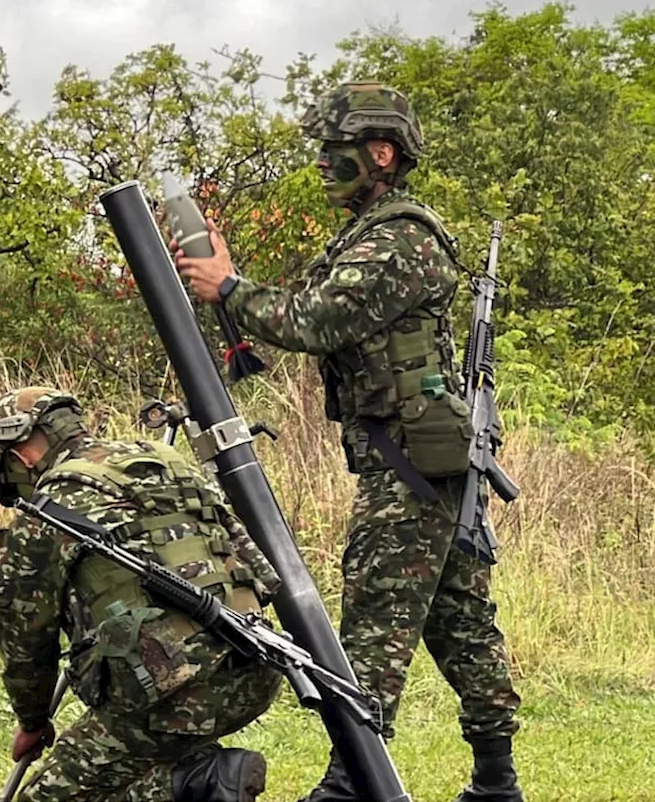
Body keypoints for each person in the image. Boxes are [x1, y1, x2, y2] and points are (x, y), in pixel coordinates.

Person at [172, 81, 524, 802]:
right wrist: (230, 279)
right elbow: (308, 304)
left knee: (373, 620)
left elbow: (313, 320)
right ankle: (497, 782)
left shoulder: (402, 238)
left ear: (382, 152)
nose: (325, 165)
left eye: (336, 151)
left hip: (411, 466)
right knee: (459, 621)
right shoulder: (370, 232)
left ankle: (348, 784)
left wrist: (230, 287)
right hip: (420, 457)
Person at [0, 385, 284, 802]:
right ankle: (195, 775)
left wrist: (32, 722)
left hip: (174, 699)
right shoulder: (169, 466)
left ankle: (198, 783)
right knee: (134, 764)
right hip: (256, 666)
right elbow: (261, 571)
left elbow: (26, 640)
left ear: (19, 457)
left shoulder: (48, 511)